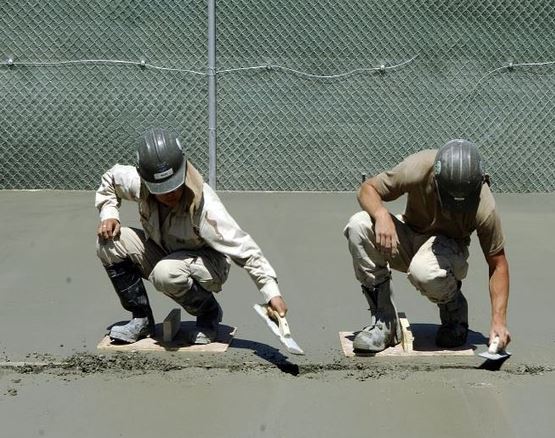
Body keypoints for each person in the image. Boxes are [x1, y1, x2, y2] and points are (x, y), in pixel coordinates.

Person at [95, 128, 288, 344]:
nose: (169, 195)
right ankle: (141, 320)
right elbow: (110, 178)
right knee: (109, 243)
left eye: (173, 187)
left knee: (166, 273)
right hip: (165, 251)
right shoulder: (140, 182)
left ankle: (208, 313)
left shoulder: (206, 206)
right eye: (161, 189)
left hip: (207, 263)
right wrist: (109, 214)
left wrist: (271, 294)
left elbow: (245, 250)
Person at [343, 139, 511, 353]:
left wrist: (499, 322)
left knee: (424, 271)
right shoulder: (419, 167)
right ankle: (384, 322)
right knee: (359, 225)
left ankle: (454, 311)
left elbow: (498, 264)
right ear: (436, 180)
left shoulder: (484, 203)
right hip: (410, 234)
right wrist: (381, 214)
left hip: (447, 251)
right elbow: (367, 189)